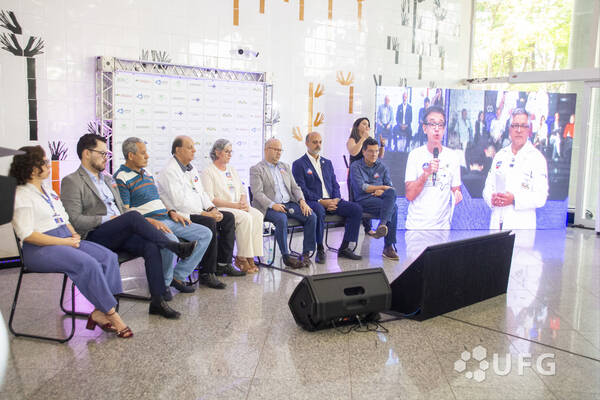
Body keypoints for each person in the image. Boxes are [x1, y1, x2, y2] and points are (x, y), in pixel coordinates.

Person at [61, 134, 195, 319]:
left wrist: (131, 219)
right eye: (102, 153)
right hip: (93, 235)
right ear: (86, 154)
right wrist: (108, 219)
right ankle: (174, 246)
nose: (105, 157)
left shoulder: (108, 179)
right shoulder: (72, 181)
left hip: (118, 232)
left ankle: (157, 301)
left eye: (106, 154)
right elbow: (75, 220)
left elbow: (122, 209)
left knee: (150, 245)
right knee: (132, 216)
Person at [10, 145, 133, 338]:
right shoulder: (21, 195)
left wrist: (73, 234)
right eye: (44, 162)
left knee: (108, 257)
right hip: (39, 248)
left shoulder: (47, 190)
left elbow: (64, 218)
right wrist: (65, 243)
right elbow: (28, 235)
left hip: (64, 238)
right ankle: (112, 315)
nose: (49, 165)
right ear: (32, 169)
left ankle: (100, 311)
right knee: (87, 263)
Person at [113, 137, 220, 296]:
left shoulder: (147, 173)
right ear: (130, 156)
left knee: (205, 233)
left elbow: (159, 199)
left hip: (166, 217)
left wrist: (172, 212)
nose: (147, 156)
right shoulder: (121, 177)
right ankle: (163, 286)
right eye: (143, 153)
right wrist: (150, 221)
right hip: (148, 223)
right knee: (171, 241)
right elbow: (125, 211)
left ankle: (178, 276)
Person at [158, 136, 243, 286]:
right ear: (178, 150)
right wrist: (205, 213)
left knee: (228, 218)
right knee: (209, 222)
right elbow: (180, 202)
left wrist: (212, 208)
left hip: (198, 211)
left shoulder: (191, 168)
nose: (194, 150)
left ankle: (223, 263)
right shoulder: (169, 171)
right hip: (181, 214)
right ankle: (206, 272)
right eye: (190, 147)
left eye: (193, 147)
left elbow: (202, 193)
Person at [292, 132, 363, 263]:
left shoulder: (327, 163)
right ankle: (320, 248)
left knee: (356, 209)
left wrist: (336, 199)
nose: (318, 145)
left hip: (332, 200)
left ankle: (345, 247)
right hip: (313, 201)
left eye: (320, 142)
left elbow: (335, 184)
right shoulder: (299, 164)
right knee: (319, 210)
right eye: (314, 142)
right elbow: (301, 188)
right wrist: (321, 201)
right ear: (307, 143)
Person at [249, 138, 317, 269]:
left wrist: (302, 201)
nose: (279, 153)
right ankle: (286, 256)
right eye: (275, 149)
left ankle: (306, 254)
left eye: (280, 150)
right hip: (268, 207)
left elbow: (295, 187)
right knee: (281, 219)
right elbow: (257, 193)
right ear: (266, 150)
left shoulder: (285, 167)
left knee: (311, 216)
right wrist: (272, 205)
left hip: (288, 204)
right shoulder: (257, 169)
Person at [200, 139, 262, 273]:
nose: (230, 154)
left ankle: (252, 255)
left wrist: (243, 203)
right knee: (245, 218)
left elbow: (242, 190)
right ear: (217, 152)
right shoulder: (208, 172)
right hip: (221, 208)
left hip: (237, 206)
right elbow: (210, 199)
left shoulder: (232, 170)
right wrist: (235, 206)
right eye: (226, 151)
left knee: (257, 215)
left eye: (231, 152)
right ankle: (242, 257)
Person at [483, 109, 549, 230]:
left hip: (522, 227)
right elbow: (487, 188)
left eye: (523, 126)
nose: (519, 130)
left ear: (529, 130)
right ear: (510, 129)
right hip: (497, 224)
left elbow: (541, 197)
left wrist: (514, 200)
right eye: (515, 125)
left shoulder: (537, 158)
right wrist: (491, 199)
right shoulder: (500, 156)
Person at [405, 106, 463, 229]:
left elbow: (456, 190)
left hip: (442, 228)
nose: (437, 129)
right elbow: (409, 195)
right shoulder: (415, 155)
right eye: (432, 124)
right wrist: (426, 174)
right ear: (424, 128)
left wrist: (457, 195)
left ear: (444, 129)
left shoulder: (453, 157)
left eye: (440, 124)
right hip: (416, 227)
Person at [349, 137, 399, 260]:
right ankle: (388, 247)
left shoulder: (382, 167)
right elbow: (363, 187)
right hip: (363, 200)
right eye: (371, 151)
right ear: (363, 152)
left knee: (392, 194)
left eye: (376, 151)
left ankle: (382, 226)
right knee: (393, 208)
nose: (374, 154)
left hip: (380, 199)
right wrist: (381, 187)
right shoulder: (355, 166)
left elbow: (390, 188)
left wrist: (382, 191)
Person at [346, 117, 386, 236]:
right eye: (364, 124)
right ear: (357, 126)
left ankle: (368, 228)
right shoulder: (352, 139)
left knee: (368, 197)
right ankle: (352, 228)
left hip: (368, 174)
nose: (366, 126)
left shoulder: (369, 140)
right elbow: (353, 152)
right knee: (354, 200)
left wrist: (382, 145)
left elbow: (379, 156)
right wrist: (363, 138)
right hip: (355, 174)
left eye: (368, 124)